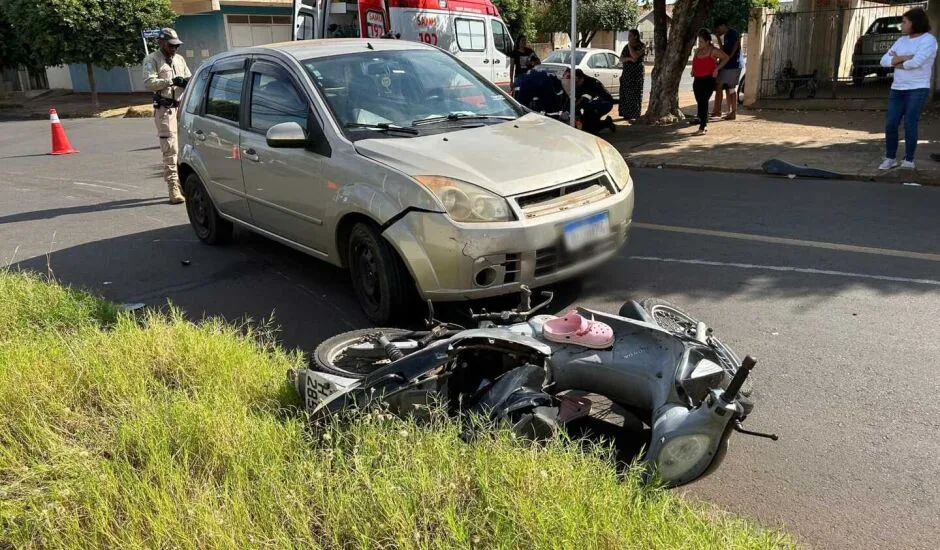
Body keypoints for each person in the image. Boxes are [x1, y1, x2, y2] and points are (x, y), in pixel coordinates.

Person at [878, 7, 937, 170]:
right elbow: (883, 61)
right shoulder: (901, 41)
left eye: (904, 22)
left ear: (915, 23)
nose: (901, 25)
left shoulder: (928, 40)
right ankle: (890, 158)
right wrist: (904, 58)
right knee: (891, 124)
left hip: (917, 89)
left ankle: (908, 160)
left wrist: (896, 63)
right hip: (897, 89)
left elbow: (917, 62)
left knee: (910, 123)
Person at [142, 28, 191, 204]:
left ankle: (184, 184)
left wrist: (186, 82)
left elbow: (187, 77)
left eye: (176, 46)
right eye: (171, 45)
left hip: (181, 108)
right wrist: (170, 81)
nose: (174, 49)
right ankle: (173, 187)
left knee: (186, 148)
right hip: (165, 110)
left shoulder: (179, 59)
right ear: (162, 43)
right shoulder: (152, 59)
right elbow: (149, 82)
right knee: (171, 149)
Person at [691, 29, 729, 136]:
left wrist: (717, 69)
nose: (700, 44)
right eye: (699, 41)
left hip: (708, 79)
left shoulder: (713, 51)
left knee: (704, 100)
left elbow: (726, 58)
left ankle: (703, 126)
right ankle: (702, 119)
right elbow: (695, 61)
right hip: (697, 79)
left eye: (702, 41)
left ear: (707, 41)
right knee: (699, 100)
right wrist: (693, 70)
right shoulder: (697, 51)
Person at [564, 68, 616, 134]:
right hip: (592, 104)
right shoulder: (580, 83)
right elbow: (574, 101)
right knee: (585, 124)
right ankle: (600, 123)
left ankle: (607, 123)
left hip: (604, 104)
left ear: (581, 78)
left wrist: (575, 115)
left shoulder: (590, 85)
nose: (575, 84)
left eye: (576, 82)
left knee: (590, 128)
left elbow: (580, 103)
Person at [711, 18, 742, 120]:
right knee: (726, 87)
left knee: (729, 88)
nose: (718, 31)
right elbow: (723, 50)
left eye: (718, 28)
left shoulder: (732, 33)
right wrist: (719, 39)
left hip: (733, 65)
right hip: (729, 65)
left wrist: (730, 57)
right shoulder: (727, 35)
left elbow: (737, 44)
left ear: (723, 25)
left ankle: (729, 112)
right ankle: (725, 111)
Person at [619, 29, 645, 120]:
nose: (628, 38)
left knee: (635, 93)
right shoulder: (626, 46)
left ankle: (634, 114)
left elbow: (635, 57)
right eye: (628, 36)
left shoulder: (641, 46)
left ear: (635, 36)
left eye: (630, 36)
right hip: (627, 73)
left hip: (636, 74)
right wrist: (629, 59)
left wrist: (630, 47)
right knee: (625, 93)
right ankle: (626, 114)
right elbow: (621, 59)